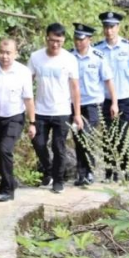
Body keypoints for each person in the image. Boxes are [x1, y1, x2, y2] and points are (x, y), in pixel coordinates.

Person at [28, 23, 82, 194]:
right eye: (52, 40)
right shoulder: (36, 57)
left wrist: (77, 114)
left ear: (63, 40)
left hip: (62, 111)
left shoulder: (69, 59)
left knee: (59, 147)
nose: (55, 44)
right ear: (46, 38)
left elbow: (75, 88)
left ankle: (58, 180)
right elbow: (27, 82)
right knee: (39, 143)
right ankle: (48, 169)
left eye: (58, 41)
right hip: (40, 110)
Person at [0, 38, 35, 201]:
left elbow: (28, 99)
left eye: (8, 53)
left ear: (15, 54)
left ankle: (7, 189)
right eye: (2, 52)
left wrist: (32, 122)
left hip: (15, 117)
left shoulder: (23, 72)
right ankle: (11, 180)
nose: (4, 56)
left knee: (5, 149)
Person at [94, 11, 129, 181]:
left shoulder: (128, 47)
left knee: (123, 134)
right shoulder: (98, 50)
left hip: (125, 98)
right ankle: (109, 171)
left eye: (112, 27)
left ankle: (125, 168)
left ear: (118, 28)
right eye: (106, 27)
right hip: (105, 99)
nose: (109, 31)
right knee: (108, 135)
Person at [71, 23, 117, 186]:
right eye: (76, 39)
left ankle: (89, 171)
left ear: (89, 39)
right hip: (74, 104)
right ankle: (81, 173)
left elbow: (108, 81)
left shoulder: (98, 57)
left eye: (81, 39)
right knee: (78, 137)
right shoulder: (69, 57)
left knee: (87, 136)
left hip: (93, 104)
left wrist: (114, 103)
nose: (78, 42)